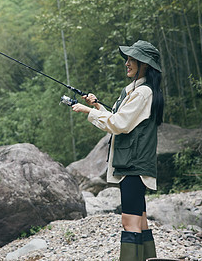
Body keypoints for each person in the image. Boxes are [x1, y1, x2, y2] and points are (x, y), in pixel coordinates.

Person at [71, 40, 164, 261]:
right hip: (134, 164)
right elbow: (116, 120)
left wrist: (86, 111)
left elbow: (119, 124)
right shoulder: (135, 91)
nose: (127, 63)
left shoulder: (143, 93)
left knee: (129, 222)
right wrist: (96, 107)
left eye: (132, 59)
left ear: (145, 65)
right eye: (128, 59)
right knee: (140, 220)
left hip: (133, 165)